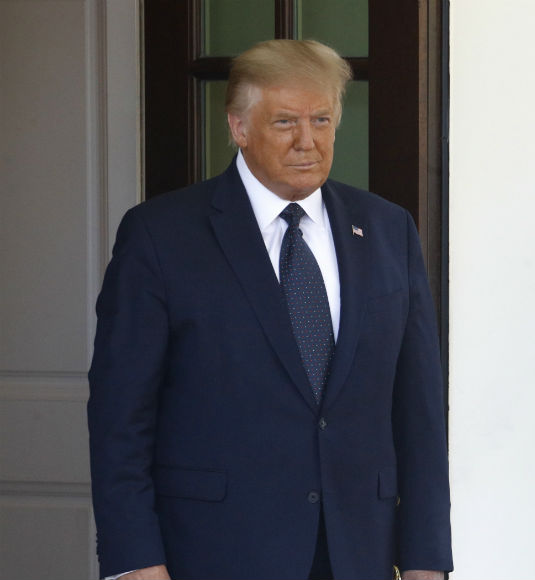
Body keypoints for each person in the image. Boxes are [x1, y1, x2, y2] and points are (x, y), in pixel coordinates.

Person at [87, 39, 452, 580]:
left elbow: (418, 411)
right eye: (285, 122)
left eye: (321, 120)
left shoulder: (387, 229)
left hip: (357, 553)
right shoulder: (161, 236)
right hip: (216, 552)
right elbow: (120, 418)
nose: (308, 141)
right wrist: (136, 561)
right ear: (238, 127)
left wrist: (425, 560)